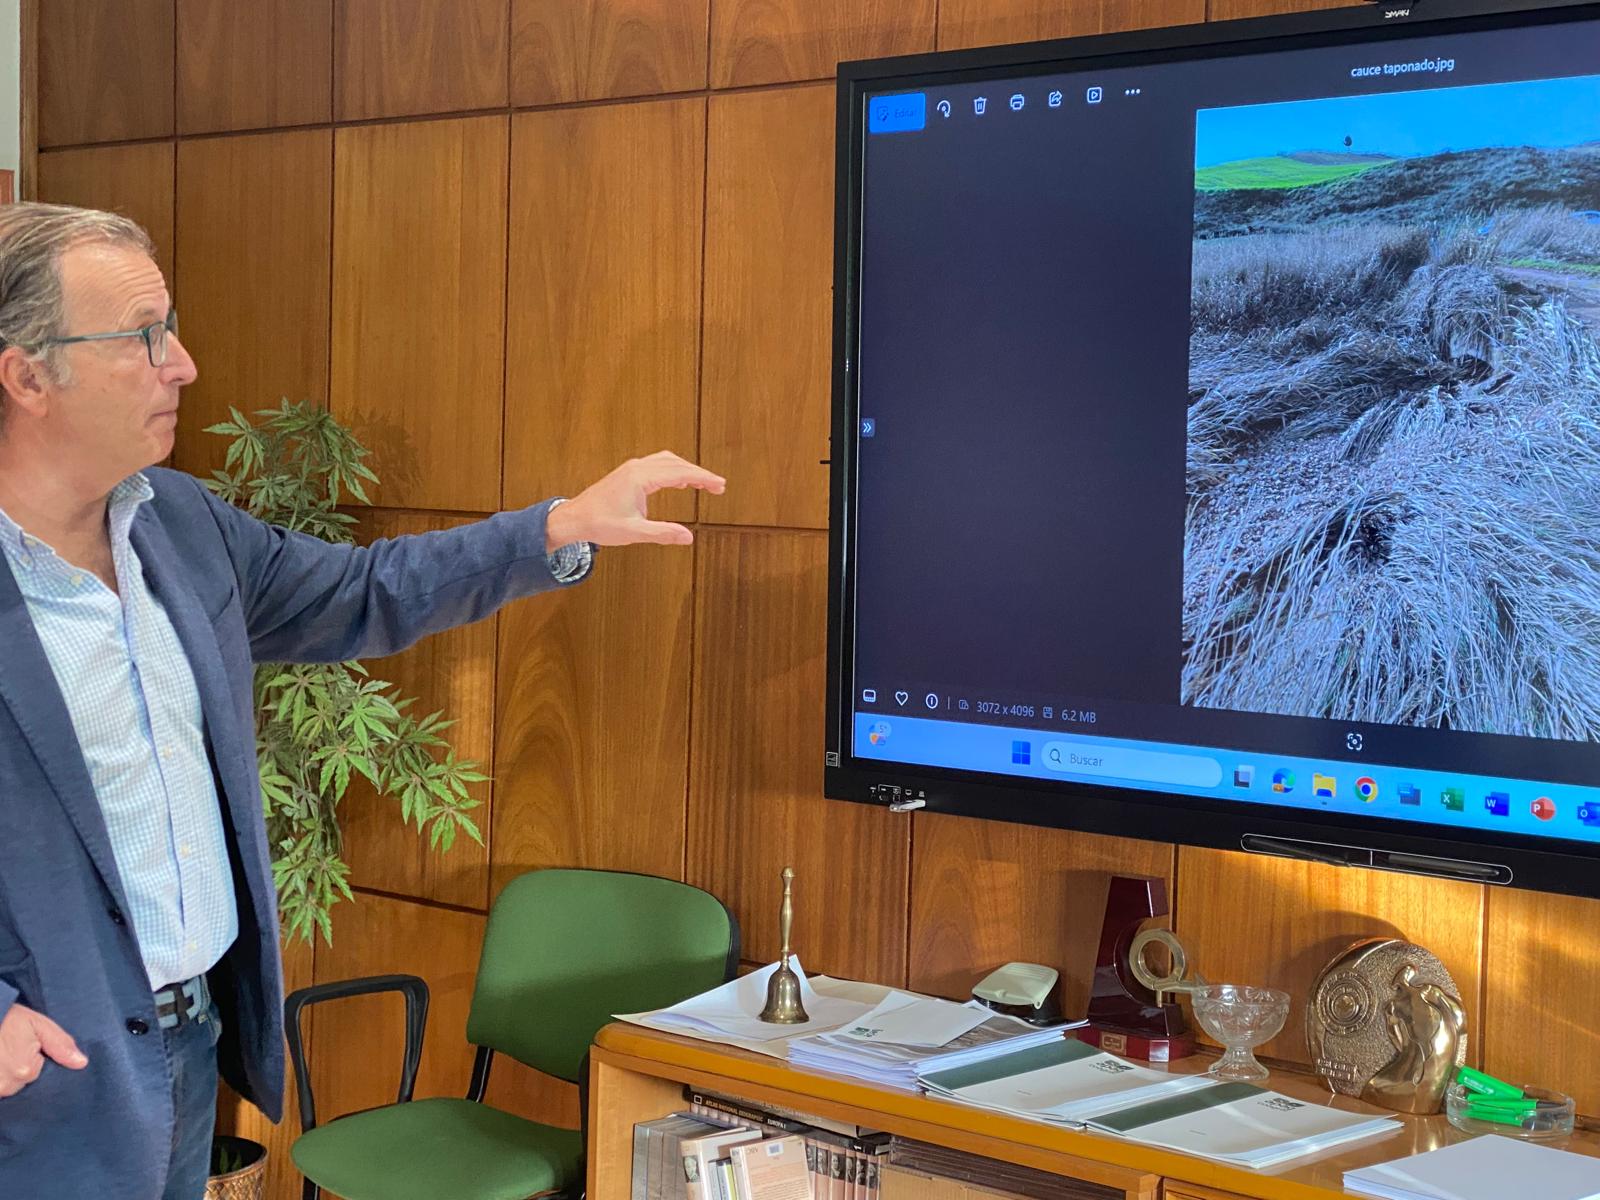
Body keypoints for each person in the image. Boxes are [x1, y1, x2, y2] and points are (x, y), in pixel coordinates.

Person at [0, 203, 725, 1198]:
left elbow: (361, 593)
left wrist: (559, 524)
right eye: (143, 337)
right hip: (40, 1084)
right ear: (28, 374)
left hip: (187, 1046)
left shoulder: (178, 525)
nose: (184, 364)